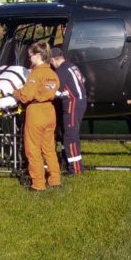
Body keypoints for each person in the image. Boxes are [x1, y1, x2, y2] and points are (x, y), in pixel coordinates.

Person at [13, 41, 61, 192]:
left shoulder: (36, 73)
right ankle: (55, 179)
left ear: (38, 55)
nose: (29, 59)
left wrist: (16, 92)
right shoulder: (52, 73)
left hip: (36, 112)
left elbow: (26, 96)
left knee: (33, 149)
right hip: (50, 111)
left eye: (30, 55)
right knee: (49, 149)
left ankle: (38, 184)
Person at [50, 47, 86, 175]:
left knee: (70, 136)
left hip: (72, 103)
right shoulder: (72, 66)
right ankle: (68, 162)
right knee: (70, 133)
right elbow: (83, 80)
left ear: (53, 59)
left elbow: (54, 90)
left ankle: (75, 169)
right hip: (81, 101)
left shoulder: (61, 70)